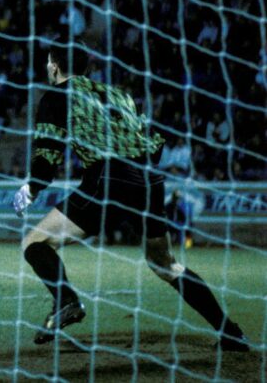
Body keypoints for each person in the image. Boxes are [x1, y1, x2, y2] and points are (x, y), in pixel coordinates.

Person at [13, 43, 249, 350]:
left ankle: (66, 302)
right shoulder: (119, 94)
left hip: (108, 178)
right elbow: (155, 145)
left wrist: (32, 187)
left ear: (54, 67)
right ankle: (230, 333)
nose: (47, 68)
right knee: (165, 263)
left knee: (34, 242)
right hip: (149, 181)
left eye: (48, 63)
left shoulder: (57, 97)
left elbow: (48, 153)